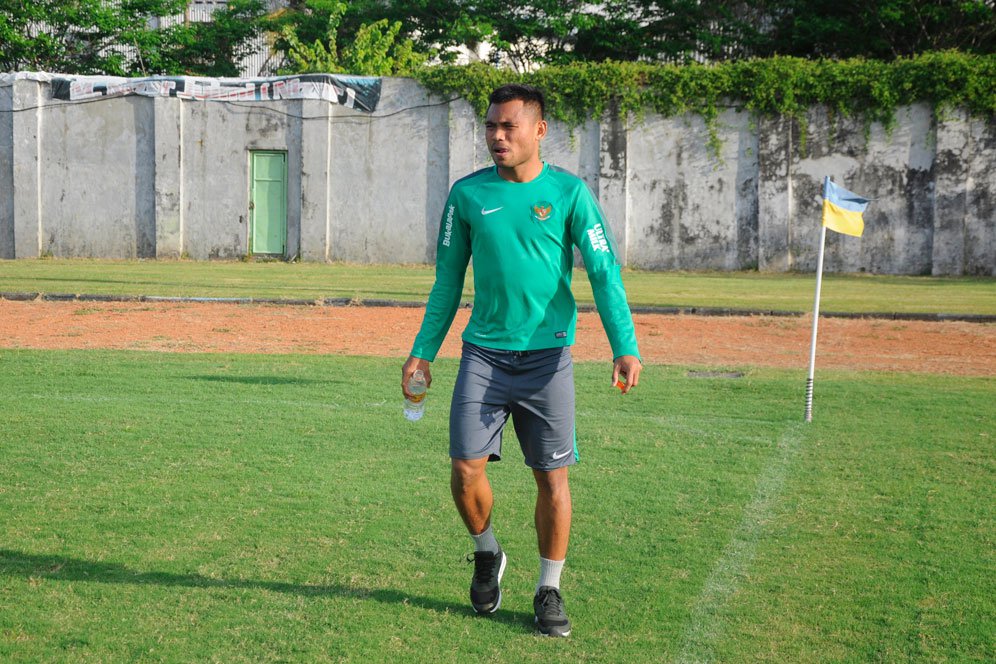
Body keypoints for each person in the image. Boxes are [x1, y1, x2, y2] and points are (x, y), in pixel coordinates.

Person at [401, 83, 642, 638]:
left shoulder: (570, 194)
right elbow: (446, 283)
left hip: (548, 359)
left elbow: (604, 274)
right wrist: (422, 352)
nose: (497, 136)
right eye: (490, 126)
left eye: (509, 126)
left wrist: (623, 344)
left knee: (551, 478)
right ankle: (487, 553)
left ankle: (549, 589)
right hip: (483, 354)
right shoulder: (466, 195)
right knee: (464, 471)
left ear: (540, 130)